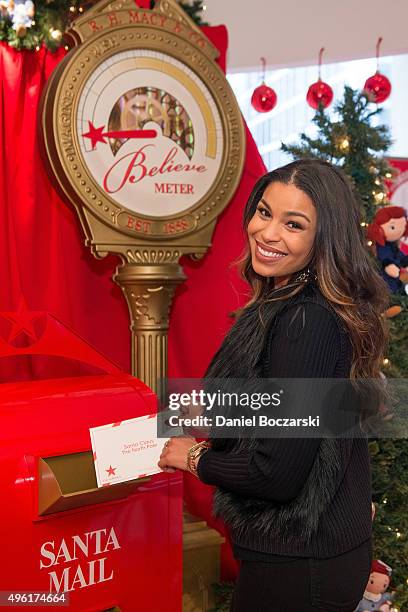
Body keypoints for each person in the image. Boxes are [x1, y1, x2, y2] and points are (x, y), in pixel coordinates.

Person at [158, 159, 390, 612]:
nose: (267, 233)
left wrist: (192, 456)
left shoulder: (304, 320)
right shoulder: (293, 302)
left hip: (301, 563)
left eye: (293, 224)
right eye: (263, 212)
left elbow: (277, 473)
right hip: (315, 549)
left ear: (324, 238)